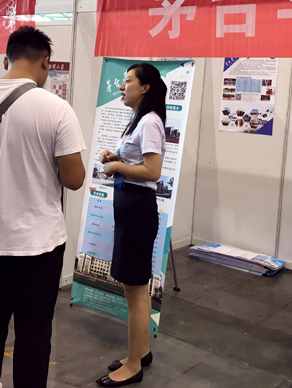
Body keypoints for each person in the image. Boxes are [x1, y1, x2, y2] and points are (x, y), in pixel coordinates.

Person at [0, 26, 86, 388]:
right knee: (33, 332)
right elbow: (74, 179)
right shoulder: (57, 108)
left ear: (6, 60)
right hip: (39, 244)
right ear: (45, 63)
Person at [97, 63, 167, 387]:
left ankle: (134, 366)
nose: (121, 86)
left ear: (145, 87)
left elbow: (152, 172)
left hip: (138, 209)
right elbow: (138, 164)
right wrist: (117, 160)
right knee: (135, 288)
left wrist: (116, 167)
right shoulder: (138, 120)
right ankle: (141, 351)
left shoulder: (149, 121)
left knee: (136, 291)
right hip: (131, 208)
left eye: (127, 81)